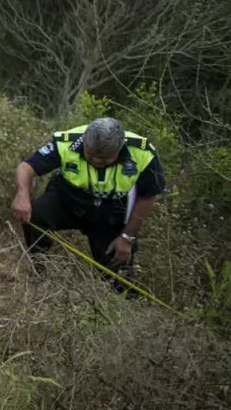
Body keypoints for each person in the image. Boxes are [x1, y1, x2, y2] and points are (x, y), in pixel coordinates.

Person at [12, 117, 165, 292]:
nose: (96, 161)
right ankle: (38, 271)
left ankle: (118, 294)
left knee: (121, 282)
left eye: (104, 158)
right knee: (37, 215)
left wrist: (127, 238)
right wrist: (22, 195)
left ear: (120, 148)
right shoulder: (67, 141)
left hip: (111, 212)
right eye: (90, 154)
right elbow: (26, 167)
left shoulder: (143, 152)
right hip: (68, 200)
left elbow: (148, 196)